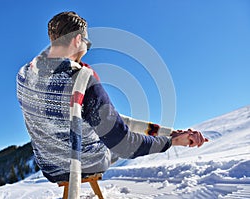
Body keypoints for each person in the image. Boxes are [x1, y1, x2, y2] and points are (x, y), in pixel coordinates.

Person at [16, 11, 208, 183]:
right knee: (114, 131)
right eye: (87, 43)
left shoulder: (23, 75)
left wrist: (168, 132)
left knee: (109, 120)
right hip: (84, 165)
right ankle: (175, 136)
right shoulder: (81, 80)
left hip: (49, 168)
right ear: (76, 40)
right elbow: (123, 144)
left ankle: (171, 132)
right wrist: (172, 142)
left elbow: (87, 117)